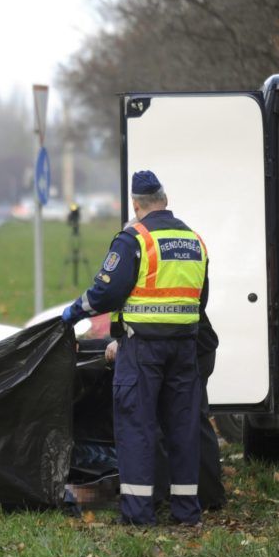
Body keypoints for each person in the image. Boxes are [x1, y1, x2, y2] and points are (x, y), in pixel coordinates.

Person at [62, 170, 209, 526]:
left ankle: (139, 514)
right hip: (185, 349)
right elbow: (201, 299)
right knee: (183, 427)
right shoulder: (194, 241)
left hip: (143, 349)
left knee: (137, 427)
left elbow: (106, 292)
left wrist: (74, 312)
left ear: (136, 204)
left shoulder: (135, 239)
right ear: (165, 200)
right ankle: (187, 511)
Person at [105, 312, 225, 514]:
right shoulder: (189, 278)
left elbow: (118, 293)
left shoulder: (151, 279)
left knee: (170, 423)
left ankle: (157, 497)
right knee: (192, 422)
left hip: (178, 346)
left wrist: (124, 338)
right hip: (193, 344)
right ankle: (204, 496)